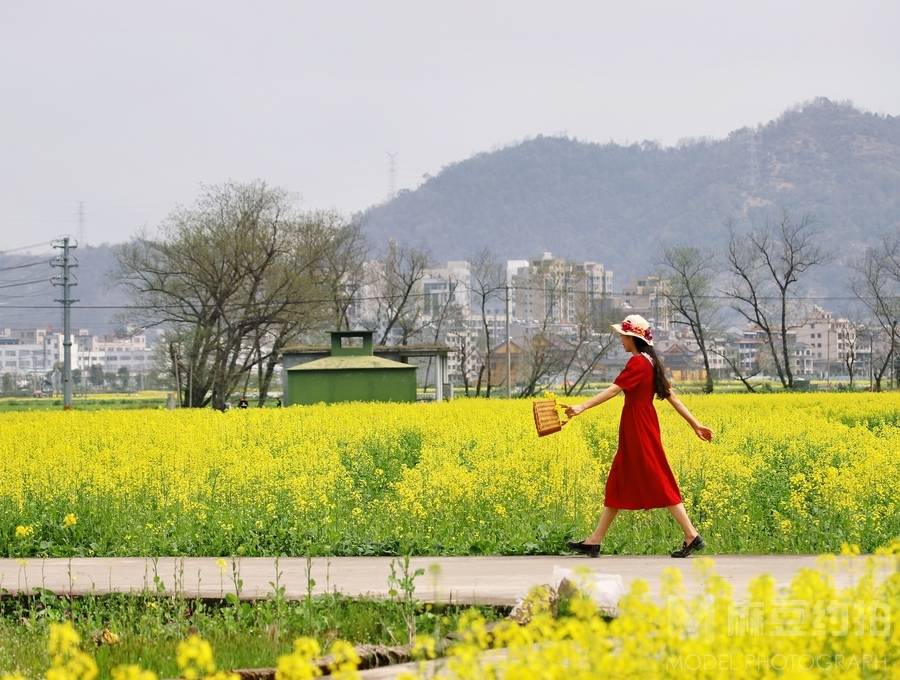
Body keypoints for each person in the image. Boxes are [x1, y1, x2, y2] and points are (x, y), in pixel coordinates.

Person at [562, 314, 713, 558]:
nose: (620, 339)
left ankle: (691, 534)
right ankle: (594, 540)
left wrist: (582, 407)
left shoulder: (638, 364)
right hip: (640, 425)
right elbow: (672, 397)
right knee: (619, 481)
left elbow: (614, 390)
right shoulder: (650, 363)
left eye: (623, 335)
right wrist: (695, 424)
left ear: (633, 337)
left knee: (658, 477)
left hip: (638, 428)